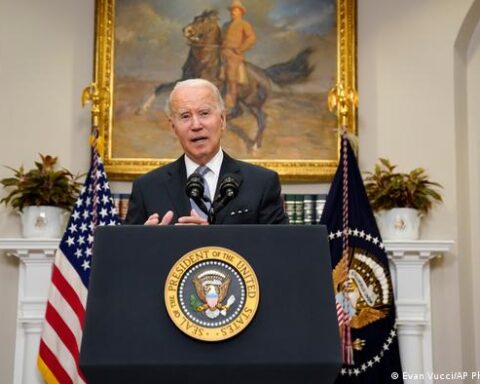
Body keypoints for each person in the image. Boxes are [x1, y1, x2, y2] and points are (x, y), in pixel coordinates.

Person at [125, 78, 287, 225]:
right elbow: (126, 255)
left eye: (204, 113)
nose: (196, 125)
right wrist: (144, 241)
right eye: (185, 116)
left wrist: (210, 237)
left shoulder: (262, 183)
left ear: (222, 120)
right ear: (173, 127)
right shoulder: (147, 188)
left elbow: (278, 250)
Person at [221, 0, 256, 111]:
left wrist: (241, 49)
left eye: (235, 10)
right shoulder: (225, 25)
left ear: (241, 12)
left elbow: (251, 38)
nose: (232, 12)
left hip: (234, 55)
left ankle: (231, 100)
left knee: (231, 74)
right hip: (222, 53)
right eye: (232, 10)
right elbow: (220, 39)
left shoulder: (244, 24)